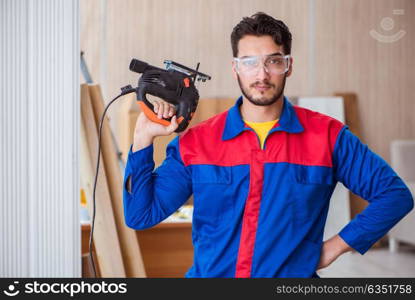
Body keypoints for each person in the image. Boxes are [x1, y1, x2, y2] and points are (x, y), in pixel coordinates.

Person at [123, 12, 413, 278]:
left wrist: (333, 248)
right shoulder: (197, 143)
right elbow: (141, 215)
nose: (261, 75)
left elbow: (395, 196)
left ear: (288, 66)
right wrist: (143, 138)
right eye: (249, 62)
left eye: (273, 61)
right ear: (235, 68)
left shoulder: (327, 136)